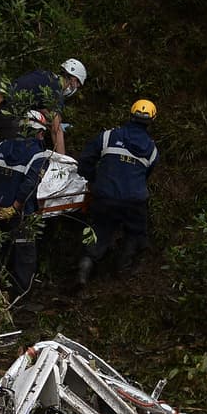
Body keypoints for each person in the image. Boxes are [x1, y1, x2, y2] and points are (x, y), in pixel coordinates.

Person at [75, 99, 160, 286]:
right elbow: (146, 175)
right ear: (152, 121)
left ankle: (85, 266)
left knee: (99, 229)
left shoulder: (108, 136)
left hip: (105, 194)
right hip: (134, 200)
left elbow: (86, 160)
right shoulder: (152, 150)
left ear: (130, 115)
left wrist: (93, 180)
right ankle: (123, 271)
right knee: (135, 231)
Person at [0, 110, 53, 296]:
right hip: (20, 213)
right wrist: (14, 207)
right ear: (40, 132)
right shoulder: (39, 155)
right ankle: (21, 296)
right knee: (24, 254)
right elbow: (29, 185)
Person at [0, 58, 87, 154]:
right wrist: (62, 158)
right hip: (8, 115)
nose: (76, 87)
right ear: (73, 79)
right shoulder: (56, 91)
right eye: (78, 84)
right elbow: (56, 130)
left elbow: (39, 105)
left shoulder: (44, 75)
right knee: (10, 154)